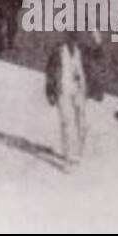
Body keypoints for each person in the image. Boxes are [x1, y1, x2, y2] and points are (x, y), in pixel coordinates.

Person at [46, 31, 89, 165]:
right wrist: (49, 92)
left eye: (76, 38)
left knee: (82, 124)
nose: (74, 41)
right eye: (72, 37)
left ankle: (79, 153)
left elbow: (84, 69)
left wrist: (84, 87)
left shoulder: (80, 51)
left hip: (77, 90)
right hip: (62, 90)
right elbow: (50, 72)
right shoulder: (58, 51)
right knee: (66, 123)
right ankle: (67, 158)